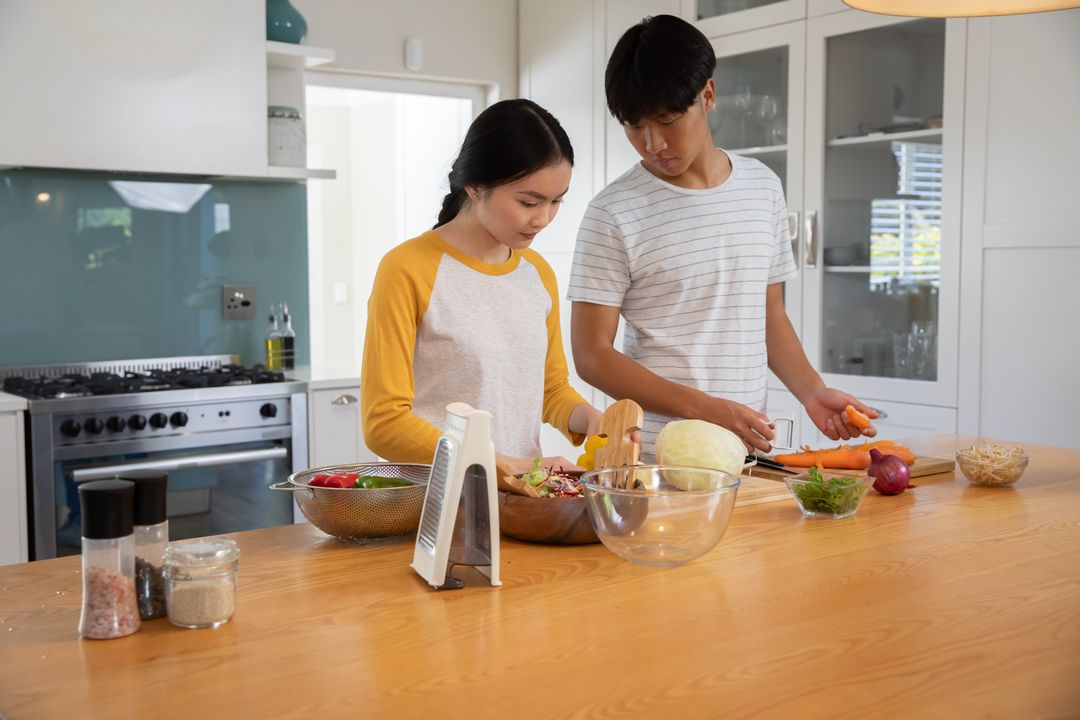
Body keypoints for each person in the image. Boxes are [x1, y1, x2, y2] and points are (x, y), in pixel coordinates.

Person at [567, 14, 877, 459]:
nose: (653, 144)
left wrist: (812, 391)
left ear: (707, 95)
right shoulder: (612, 212)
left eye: (667, 120)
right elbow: (592, 356)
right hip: (655, 458)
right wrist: (708, 409)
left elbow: (769, 313)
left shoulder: (762, 186)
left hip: (746, 452)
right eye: (635, 126)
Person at [361, 99, 603, 474]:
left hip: (519, 498)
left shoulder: (537, 273)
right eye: (529, 202)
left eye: (556, 201)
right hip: (433, 500)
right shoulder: (407, 269)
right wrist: (502, 465)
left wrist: (591, 419)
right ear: (475, 186)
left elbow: (549, 388)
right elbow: (384, 424)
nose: (543, 218)